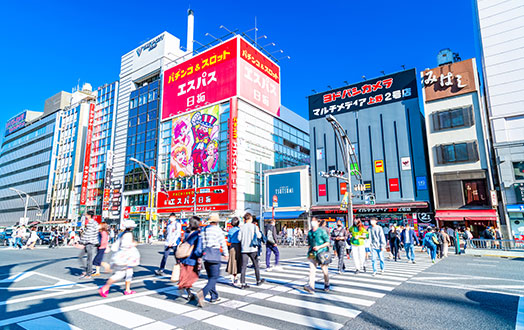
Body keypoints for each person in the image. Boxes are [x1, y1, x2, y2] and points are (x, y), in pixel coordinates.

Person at [99, 220, 140, 297]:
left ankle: (127, 289)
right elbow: (126, 245)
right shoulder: (128, 234)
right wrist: (133, 244)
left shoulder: (122, 233)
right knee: (121, 274)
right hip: (126, 257)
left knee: (128, 273)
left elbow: (117, 245)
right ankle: (106, 287)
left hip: (120, 256)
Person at [196, 213, 229, 307]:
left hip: (206, 256)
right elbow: (222, 242)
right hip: (215, 254)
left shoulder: (204, 229)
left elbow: (201, 243)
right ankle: (203, 293)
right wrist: (226, 254)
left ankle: (214, 296)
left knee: (211, 277)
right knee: (214, 277)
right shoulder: (218, 230)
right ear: (217, 221)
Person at [177, 216, 203, 301]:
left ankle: (188, 292)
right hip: (192, 258)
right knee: (193, 276)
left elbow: (181, 242)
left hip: (184, 257)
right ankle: (185, 287)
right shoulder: (197, 234)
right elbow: (198, 248)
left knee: (186, 275)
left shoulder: (186, 232)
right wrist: (200, 256)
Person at [238, 213, 264, 289]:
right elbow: (259, 236)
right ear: (250, 218)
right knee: (256, 265)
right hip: (253, 248)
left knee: (243, 267)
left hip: (244, 249)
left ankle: (242, 283)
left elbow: (239, 238)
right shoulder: (254, 227)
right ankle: (258, 280)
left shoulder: (242, 227)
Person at [304, 217, 330, 293]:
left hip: (322, 253)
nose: (313, 222)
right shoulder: (310, 232)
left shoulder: (322, 231)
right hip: (312, 253)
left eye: (314, 221)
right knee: (312, 270)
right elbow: (309, 244)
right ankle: (311, 286)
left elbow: (327, 242)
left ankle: (327, 283)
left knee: (324, 270)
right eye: (312, 221)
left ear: (318, 222)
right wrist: (309, 253)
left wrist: (319, 247)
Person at [226, 217, 242, 285]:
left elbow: (229, 240)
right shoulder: (240, 230)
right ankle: (239, 276)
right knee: (239, 261)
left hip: (232, 246)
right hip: (239, 246)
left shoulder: (230, 230)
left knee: (233, 262)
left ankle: (234, 276)